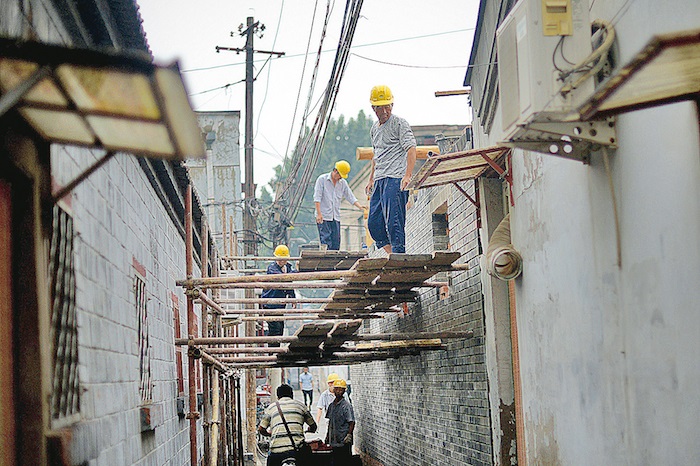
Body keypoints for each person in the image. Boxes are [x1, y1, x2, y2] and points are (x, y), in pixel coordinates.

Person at [365, 84, 417, 254]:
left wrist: (408, 175)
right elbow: (376, 155)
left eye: (388, 106)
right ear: (374, 108)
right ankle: (392, 255)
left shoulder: (400, 124)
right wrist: (371, 178)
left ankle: (399, 255)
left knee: (394, 221)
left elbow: (411, 148)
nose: (386, 111)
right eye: (381, 108)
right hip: (380, 179)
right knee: (374, 223)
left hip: (395, 178)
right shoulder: (374, 129)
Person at [258, 384, 317, 466]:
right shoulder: (301, 406)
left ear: (278, 397)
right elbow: (314, 426)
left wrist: (270, 434)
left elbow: (261, 429)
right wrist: (309, 430)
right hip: (297, 451)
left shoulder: (271, 408)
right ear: (292, 395)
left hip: (277, 452)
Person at [313, 160, 366, 250]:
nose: (340, 178)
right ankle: (327, 260)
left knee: (336, 242)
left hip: (335, 217)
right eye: (340, 175)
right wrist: (319, 214)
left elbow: (350, 196)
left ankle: (334, 260)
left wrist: (360, 206)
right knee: (326, 241)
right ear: (335, 171)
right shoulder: (322, 180)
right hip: (323, 216)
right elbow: (317, 197)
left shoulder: (342, 183)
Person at [261, 245, 296, 347]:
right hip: (270, 304)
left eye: (283, 260)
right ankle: (272, 353)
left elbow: (289, 284)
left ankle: (275, 351)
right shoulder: (272, 268)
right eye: (280, 260)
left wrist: (292, 297)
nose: (281, 262)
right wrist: (295, 271)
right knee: (274, 329)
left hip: (280, 305)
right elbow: (281, 277)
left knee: (280, 328)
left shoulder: (288, 268)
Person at [325, 378, 355, 466]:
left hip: (343, 441)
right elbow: (330, 422)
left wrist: (349, 435)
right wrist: (327, 436)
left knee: (344, 462)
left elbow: (351, 422)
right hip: (334, 441)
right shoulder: (331, 406)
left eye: (341, 389)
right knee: (335, 461)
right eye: (336, 388)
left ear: (344, 391)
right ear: (333, 390)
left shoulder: (346, 406)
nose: (338, 391)